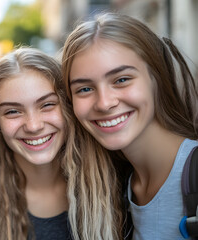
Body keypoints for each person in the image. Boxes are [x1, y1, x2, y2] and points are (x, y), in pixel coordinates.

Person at [0, 47, 125, 240]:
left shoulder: (111, 179)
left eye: (47, 105)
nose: (34, 126)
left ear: (69, 107)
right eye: (12, 111)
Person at [62, 12, 198, 239]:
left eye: (121, 79)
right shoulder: (114, 187)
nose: (105, 103)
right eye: (84, 89)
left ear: (157, 78)